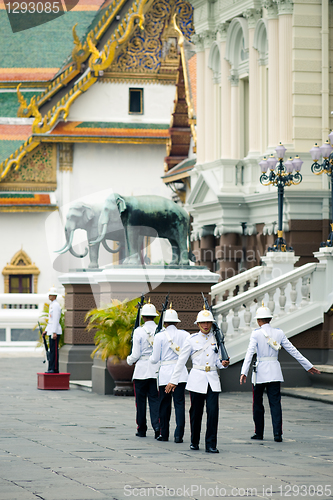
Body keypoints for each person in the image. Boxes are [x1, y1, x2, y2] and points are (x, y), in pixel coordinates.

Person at [240, 303, 321, 442]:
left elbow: (249, 354)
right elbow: (293, 351)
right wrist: (307, 365)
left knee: (258, 403)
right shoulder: (279, 332)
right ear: (270, 319)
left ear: (259, 320)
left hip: (259, 373)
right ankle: (278, 434)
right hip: (274, 372)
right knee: (275, 403)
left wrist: (244, 372)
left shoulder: (256, 333)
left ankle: (259, 432)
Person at [165, 307, 230, 453]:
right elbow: (181, 361)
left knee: (213, 413)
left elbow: (218, 362)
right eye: (203, 323)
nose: (206, 325)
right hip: (197, 379)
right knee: (196, 412)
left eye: (208, 322)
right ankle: (194, 440)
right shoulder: (191, 339)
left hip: (212, 379)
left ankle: (211, 444)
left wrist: (224, 364)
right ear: (198, 324)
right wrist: (173, 381)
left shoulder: (217, 338)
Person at [150, 305, 189, 443]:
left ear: (164, 322)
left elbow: (154, 359)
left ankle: (164, 434)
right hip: (181, 374)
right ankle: (179, 435)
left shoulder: (159, 336)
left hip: (165, 375)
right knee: (179, 405)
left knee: (164, 405)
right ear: (177, 322)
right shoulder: (185, 334)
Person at [127, 301, 160, 438]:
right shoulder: (160, 330)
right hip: (155, 370)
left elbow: (135, 354)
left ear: (143, 317)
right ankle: (157, 428)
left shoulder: (139, 331)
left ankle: (141, 429)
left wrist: (129, 360)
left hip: (141, 370)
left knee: (140, 402)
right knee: (154, 401)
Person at [43, 286, 62, 374]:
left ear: (54, 296)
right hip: (51, 331)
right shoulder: (52, 305)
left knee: (54, 351)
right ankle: (51, 367)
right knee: (51, 351)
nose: (49, 296)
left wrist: (54, 332)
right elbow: (50, 320)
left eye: (50, 295)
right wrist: (46, 330)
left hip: (55, 332)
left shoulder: (56, 306)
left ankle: (54, 368)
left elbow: (55, 320)